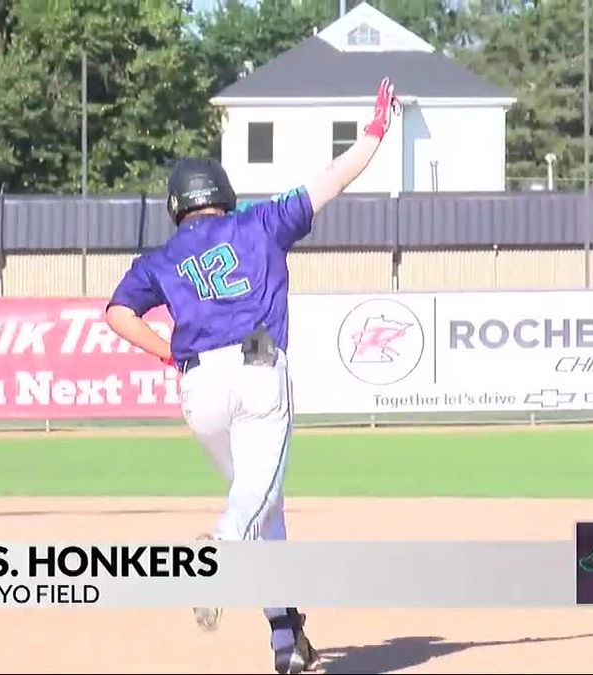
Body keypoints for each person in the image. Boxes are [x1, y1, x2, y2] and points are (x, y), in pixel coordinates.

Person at [104, 78, 401, 675]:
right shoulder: (260, 223)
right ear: (224, 196)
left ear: (176, 207)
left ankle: (286, 639)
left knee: (266, 504)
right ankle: (216, 557)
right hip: (260, 371)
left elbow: (116, 313)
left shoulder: (161, 259)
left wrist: (167, 352)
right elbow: (332, 179)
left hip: (198, 386)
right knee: (250, 508)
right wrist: (373, 133)